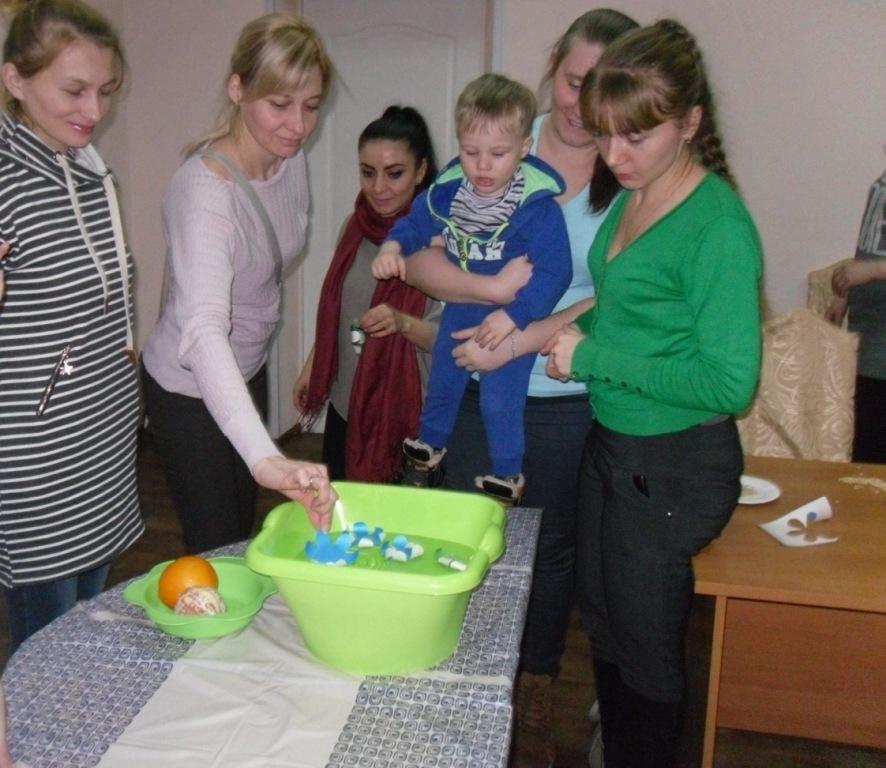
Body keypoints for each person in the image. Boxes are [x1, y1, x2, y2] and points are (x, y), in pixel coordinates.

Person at [401, 10, 638, 765]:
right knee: (466, 530)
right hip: (476, 379)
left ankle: (534, 681)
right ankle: (458, 675)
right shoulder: (494, 137)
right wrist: (490, 292)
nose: (583, 103)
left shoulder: (629, 170)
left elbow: (619, 294)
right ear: (552, 66)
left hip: (565, 394)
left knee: (551, 547)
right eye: (573, 81)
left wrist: (524, 333)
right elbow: (421, 256)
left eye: (602, 87)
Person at [544, 19, 762, 768]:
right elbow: (627, 306)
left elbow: (730, 382)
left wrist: (593, 356)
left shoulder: (718, 227)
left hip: (676, 463)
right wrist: (563, 333)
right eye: (605, 134)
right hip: (616, 444)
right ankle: (618, 745)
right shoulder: (636, 195)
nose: (616, 155)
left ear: (691, 123)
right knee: (604, 622)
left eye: (636, 136)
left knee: (646, 650)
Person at [141, 13, 337, 555]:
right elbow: (204, 331)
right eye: (279, 104)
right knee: (217, 543)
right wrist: (266, 456)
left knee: (240, 526)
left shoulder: (289, 160)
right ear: (237, 88)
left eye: (311, 105)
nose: (298, 125)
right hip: (188, 384)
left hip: (247, 366)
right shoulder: (204, 193)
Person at [0, 0, 144, 654]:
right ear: (15, 79)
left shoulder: (89, 171)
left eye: (105, 90)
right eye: (74, 90)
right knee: (46, 654)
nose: (95, 109)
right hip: (35, 464)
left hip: (100, 443)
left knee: (87, 631)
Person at [372, 73, 572, 503]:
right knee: (444, 376)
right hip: (465, 305)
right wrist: (392, 246)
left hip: (513, 319)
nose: (482, 166)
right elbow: (414, 224)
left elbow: (556, 273)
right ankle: (430, 443)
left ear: (524, 147)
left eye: (498, 154)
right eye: (470, 152)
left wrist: (514, 316)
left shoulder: (538, 209)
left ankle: (507, 473)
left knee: (499, 399)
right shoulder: (449, 192)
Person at [293, 106, 441, 482]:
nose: (378, 187)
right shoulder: (355, 226)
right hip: (345, 404)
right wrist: (313, 365)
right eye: (367, 172)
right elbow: (340, 308)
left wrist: (402, 322)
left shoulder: (439, 241)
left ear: (421, 171)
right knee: (345, 511)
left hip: (405, 416)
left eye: (394, 173)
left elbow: (448, 340)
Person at [826, 169, 886, 464]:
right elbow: (871, 249)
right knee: (864, 457)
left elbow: (873, 266)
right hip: (868, 343)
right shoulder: (881, 184)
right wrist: (845, 291)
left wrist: (871, 271)